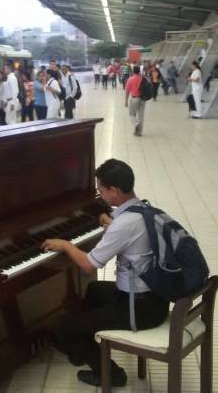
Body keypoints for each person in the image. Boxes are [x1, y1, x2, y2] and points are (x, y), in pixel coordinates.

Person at [43, 159, 169, 388]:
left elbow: (89, 265)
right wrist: (112, 226)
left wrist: (66, 245)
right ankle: (84, 345)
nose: (99, 195)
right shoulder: (145, 209)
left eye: (101, 190)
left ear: (114, 191)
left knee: (64, 327)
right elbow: (133, 237)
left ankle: (111, 374)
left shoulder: (124, 224)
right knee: (94, 290)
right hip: (155, 299)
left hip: (139, 309)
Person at [124, 65, 147, 136]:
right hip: (143, 99)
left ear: (133, 71)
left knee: (132, 114)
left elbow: (127, 91)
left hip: (134, 99)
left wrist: (126, 101)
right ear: (139, 71)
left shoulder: (130, 79)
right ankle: (139, 132)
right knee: (141, 116)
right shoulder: (143, 78)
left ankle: (136, 124)